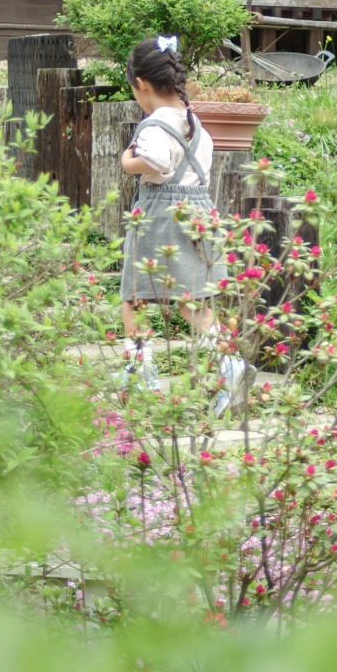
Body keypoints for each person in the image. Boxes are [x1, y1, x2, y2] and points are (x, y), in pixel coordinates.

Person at [117, 35, 246, 414]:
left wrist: (129, 162)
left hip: (162, 215)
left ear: (141, 85)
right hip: (199, 213)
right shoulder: (196, 124)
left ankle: (141, 372)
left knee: (135, 296)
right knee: (194, 303)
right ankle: (231, 365)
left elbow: (156, 161)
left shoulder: (155, 124)